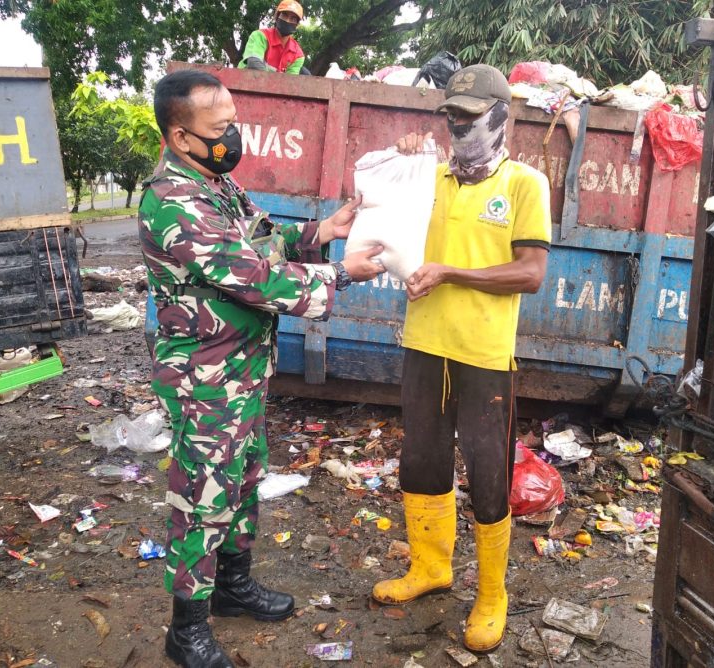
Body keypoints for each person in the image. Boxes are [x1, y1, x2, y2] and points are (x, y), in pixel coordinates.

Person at [139, 68, 384, 668]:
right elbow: (254, 277)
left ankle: (232, 586)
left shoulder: (218, 185)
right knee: (201, 497)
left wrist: (323, 230)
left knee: (243, 480)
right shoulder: (172, 203)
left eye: (234, 124)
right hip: (204, 379)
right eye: (220, 129)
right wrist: (342, 272)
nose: (232, 138)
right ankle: (186, 628)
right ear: (180, 137)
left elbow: (262, 243)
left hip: (242, 369)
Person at [371, 64, 551, 653]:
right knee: (421, 463)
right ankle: (431, 567)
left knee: (489, 475)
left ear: (503, 117)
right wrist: (401, 159)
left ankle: (492, 594)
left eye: (470, 117)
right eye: (450, 116)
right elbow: (379, 213)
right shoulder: (430, 178)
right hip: (425, 346)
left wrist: (451, 272)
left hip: (484, 357)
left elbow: (530, 272)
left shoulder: (524, 184)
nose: (458, 127)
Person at [238, 1, 306, 75]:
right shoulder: (260, 36)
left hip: (274, 85)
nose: (287, 20)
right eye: (284, 15)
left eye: (293, 19)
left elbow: (290, 81)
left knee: (305, 72)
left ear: (297, 24)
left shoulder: (298, 54)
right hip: (245, 82)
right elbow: (254, 63)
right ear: (276, 17)